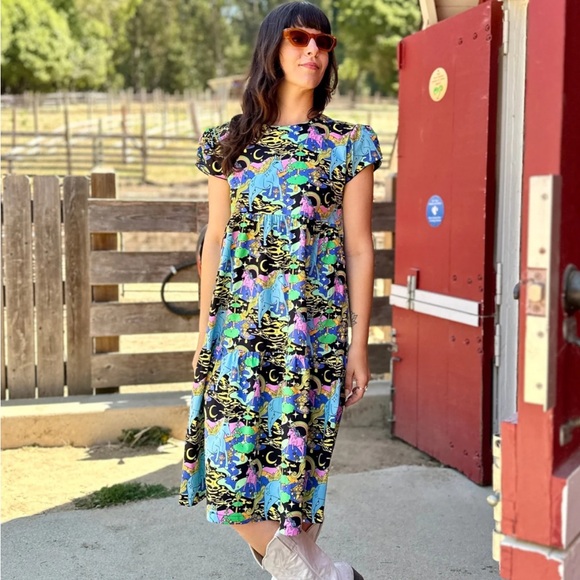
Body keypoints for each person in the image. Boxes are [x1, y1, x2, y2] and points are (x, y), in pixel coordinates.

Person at [180, 2, 382, 578]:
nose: (313, 50)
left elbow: (360, 248)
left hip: (311, 331)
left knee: (297, 472)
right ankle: (321, 574)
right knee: (226, 466)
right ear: (272, 47)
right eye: (299, 38)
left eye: (323, 41)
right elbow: (215, 239)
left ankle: (316, 570)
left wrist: (359, 344)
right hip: (236, 328)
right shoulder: (227, 142)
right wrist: (203, 333)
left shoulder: (349, 144)